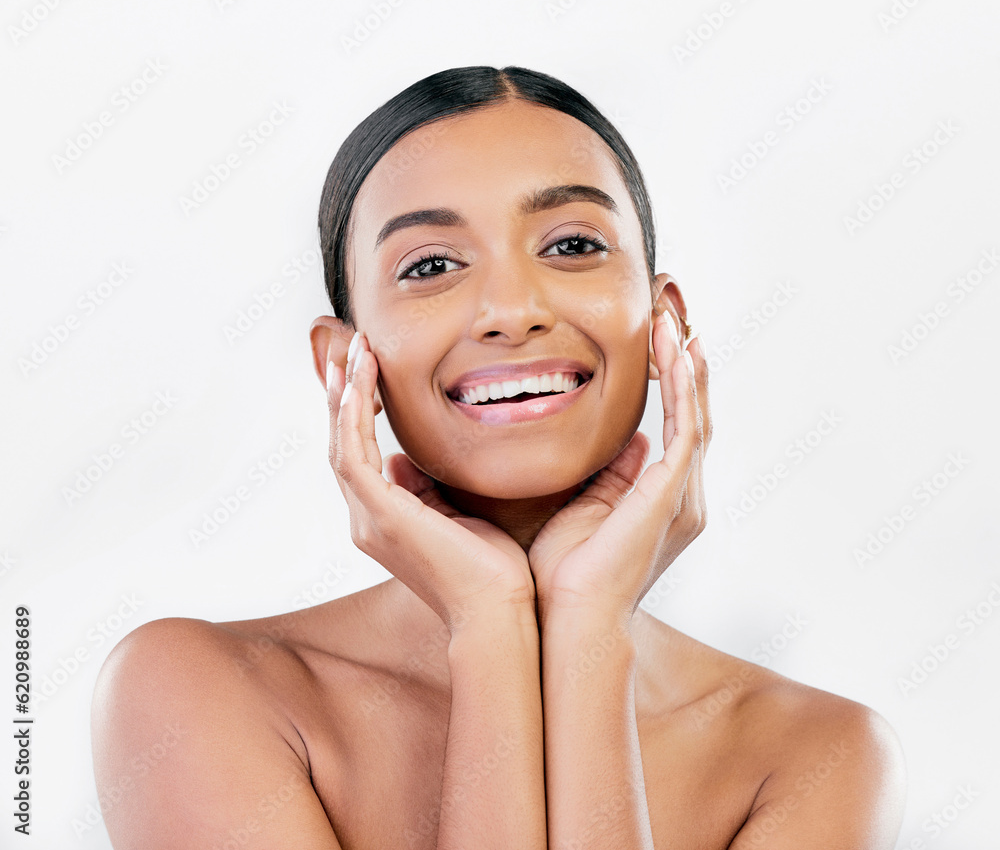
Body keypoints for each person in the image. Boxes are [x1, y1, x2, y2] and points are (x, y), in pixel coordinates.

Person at [91, 65, 906, 849]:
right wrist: (488, 625)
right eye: (432, 265)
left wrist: (587, 630)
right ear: (344, 365)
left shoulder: (821, 755)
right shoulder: (194, 690)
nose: (512, 311)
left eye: (573, 245)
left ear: (665, 323)